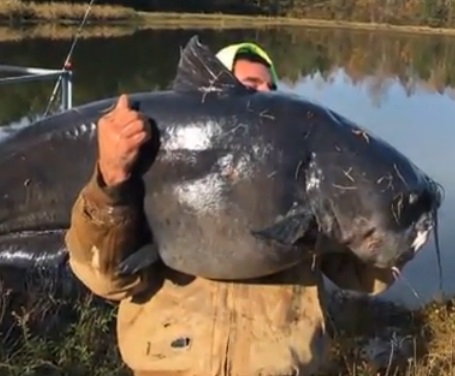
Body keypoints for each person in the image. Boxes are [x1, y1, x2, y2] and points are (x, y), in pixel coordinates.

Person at [64, 43, 401, 376]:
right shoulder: (148, 169)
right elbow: (105, 279)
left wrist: (392, 222)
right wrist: (111, 180)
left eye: (271, 89)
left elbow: (365, 275)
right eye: (250, 87)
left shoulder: (305, 191)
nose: (265, 94)